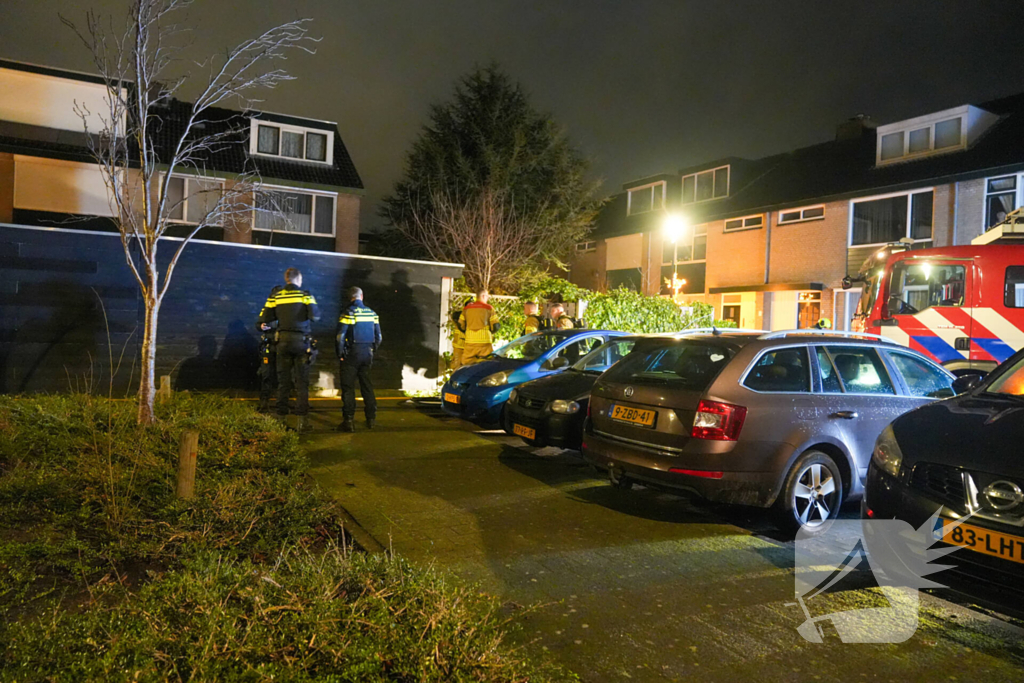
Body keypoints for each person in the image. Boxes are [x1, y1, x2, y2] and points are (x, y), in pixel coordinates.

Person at [258, 268, 320, 432]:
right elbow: (315, 317)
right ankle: (301, 422)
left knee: (283, 382)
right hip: (301, 342)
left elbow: (266, 319)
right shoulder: (306, 295)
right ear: (299, 279)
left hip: (283, 342)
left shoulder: (276, 296)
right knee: (301, 383)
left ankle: (281, 419)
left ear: (286, 279)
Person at [336, 286, 382, 432]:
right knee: (367, 386)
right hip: (367, 354)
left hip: (351, 354)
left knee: (348, 388)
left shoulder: (348, 313)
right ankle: (371, 419)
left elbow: (340, 337)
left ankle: (349, 421)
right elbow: (379, 337)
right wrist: (373, 349)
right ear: (361, 296)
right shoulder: (372, 314)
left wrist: (340, 354)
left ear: (351, 298)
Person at [256, 285, 282, 413]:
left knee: (283, 376)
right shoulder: (267, 309)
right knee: (266, 375)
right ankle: (264, 402)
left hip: (282, 346)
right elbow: (258, 325)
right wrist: (263, 326)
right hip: (270, 345)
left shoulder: (287, 310)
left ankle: (281, 403)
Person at [461, 289, 500, 365]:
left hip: (470, 341)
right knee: (487, 363)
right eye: (487, 296)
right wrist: (490, 332)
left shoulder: (466, 308)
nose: (488, 298)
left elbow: (461, 324)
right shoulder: (489, 308)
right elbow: (496, 326)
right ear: (483, 296)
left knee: (467, 363)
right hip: (484, 342)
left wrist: (467, 332)